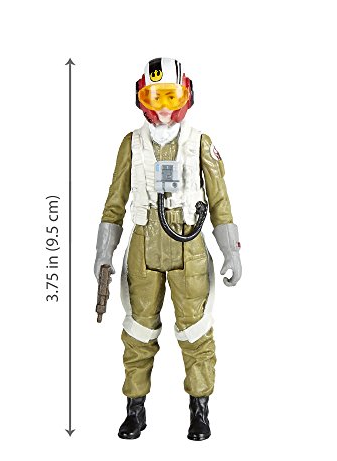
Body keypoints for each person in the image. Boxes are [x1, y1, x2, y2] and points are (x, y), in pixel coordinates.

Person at [94, 57, 242, 441]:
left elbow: (220, 200)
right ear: (142, 98)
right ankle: (135, 409)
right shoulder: (131, 144)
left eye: (171, 97)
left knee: (196, 330)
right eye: (154, 97)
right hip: (144, 246)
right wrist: (104, 252)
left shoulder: (200, 143)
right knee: (138, 331)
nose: (162, 108)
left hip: (189, 246)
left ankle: (199, 409)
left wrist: (231, 250)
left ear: (185, 96)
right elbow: (114, 202)